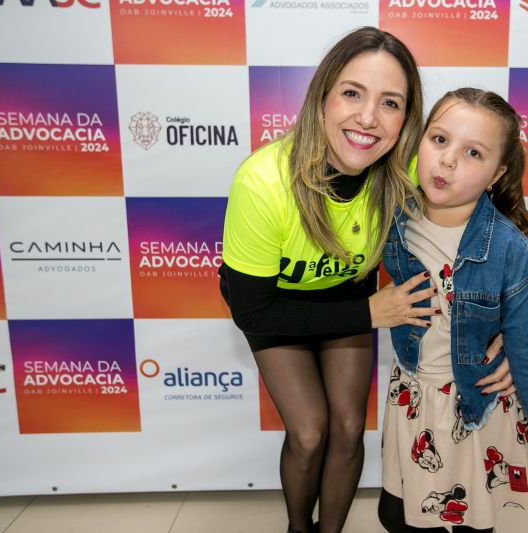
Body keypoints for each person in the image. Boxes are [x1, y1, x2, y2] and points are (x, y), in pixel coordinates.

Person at [219, 29, 512, 533]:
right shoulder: (262, 181)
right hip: (275, 307)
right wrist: (370, 313)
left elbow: (492, 233)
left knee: (349, 427)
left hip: (352, 297)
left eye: (390, 103)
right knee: (309, 433)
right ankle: (298, 528)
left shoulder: (409, 169)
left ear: (407, 119)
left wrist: (506, 329)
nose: (368, 118)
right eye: (353, 93)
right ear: (323, 96)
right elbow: (252, 312)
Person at [378, 88, 528, 533]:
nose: (447, 161)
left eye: (473, 153)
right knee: (396, 515)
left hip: (474, 406)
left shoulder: (515, 255)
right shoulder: (392, 215)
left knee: (469, 519)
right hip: (413, 397)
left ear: (497, 173)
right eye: (439, 139)